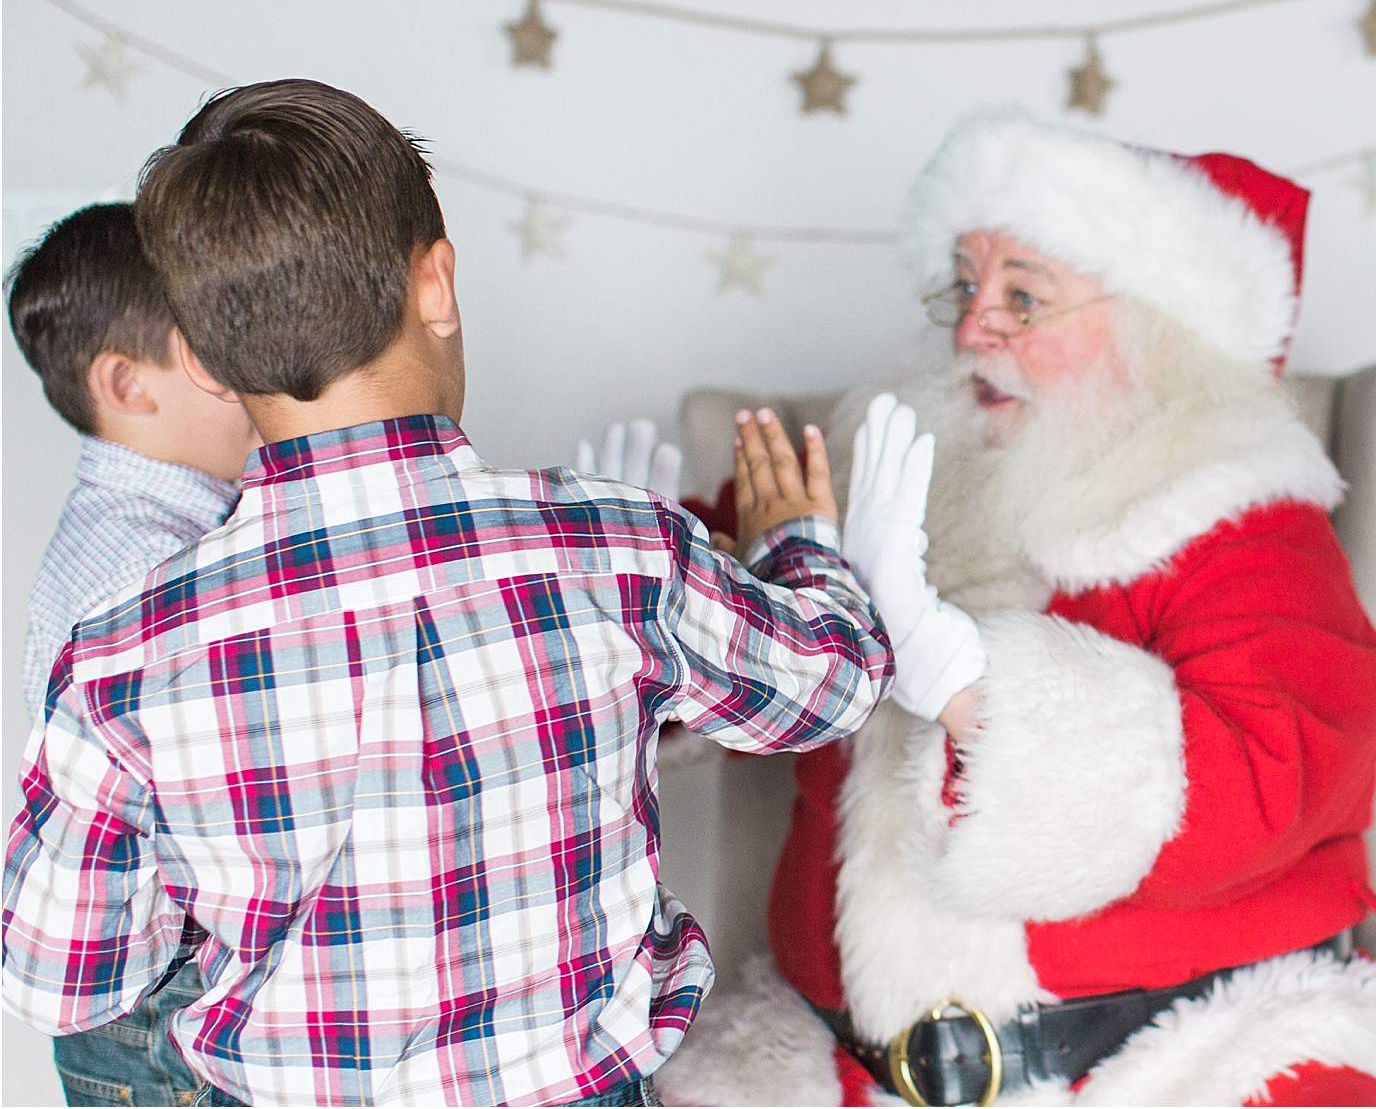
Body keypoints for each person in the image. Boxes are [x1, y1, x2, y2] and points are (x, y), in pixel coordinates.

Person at [0, 79, 944, 1107]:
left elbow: (61, 978)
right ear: (436, 284)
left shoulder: (125, 653)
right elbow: (829, 687)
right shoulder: (611, 546)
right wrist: (798, 546)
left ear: (212, 364)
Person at [656, 109, 1376, 1106]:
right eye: (965, 285)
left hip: (1184, 1063)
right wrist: (629, 588)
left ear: (1160, 333)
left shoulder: (1239, 520)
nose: (973, 325)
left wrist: (969, 687)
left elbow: (1270, 769)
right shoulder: (882, 468)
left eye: (1023, 297)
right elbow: (729, 590)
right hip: (833, 1069)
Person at [5, 201, 260, 1106]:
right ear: (128, 383)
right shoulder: (149, 564)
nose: (252, 365)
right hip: (156, 1010)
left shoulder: (188, 522)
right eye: (215, 346)